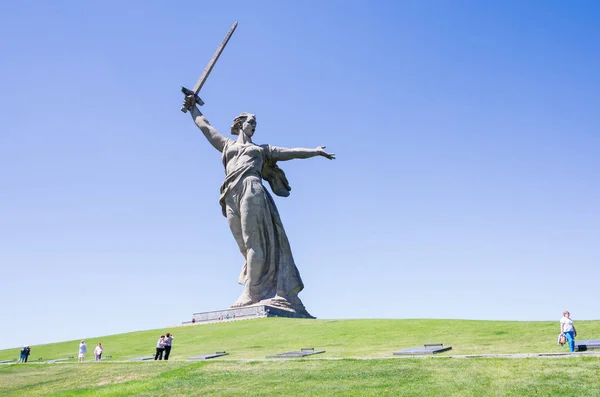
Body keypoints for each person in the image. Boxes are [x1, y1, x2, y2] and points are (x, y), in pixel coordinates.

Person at [183, 96, 335, 315]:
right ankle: (258, 284)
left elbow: (290, 153)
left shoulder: (262, 150)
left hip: (251, 189)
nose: (253, 126)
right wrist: (192, 108)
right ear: (240, 124)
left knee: (253, 242)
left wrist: (315, 151)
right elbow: (206, 127)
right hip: (230, 193)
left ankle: (251, 293)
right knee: (244, 247)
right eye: (251, 122)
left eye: (255, 124)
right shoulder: (227, 145)